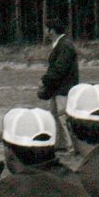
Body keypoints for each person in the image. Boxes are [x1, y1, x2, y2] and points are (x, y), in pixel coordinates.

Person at [37, 18, 79, 153]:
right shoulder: (61, 44)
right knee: (55, 117)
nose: (44, 31)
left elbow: (60, 68)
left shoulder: (64, 45)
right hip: (58, 88)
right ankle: (60, 145)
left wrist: (45, 81)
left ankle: (72, 147)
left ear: (52, 30)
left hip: (64, 89)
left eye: (46, 28)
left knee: (63, 118)